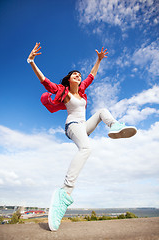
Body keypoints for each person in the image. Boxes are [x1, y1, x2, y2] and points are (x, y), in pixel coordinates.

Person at [27, 42, 137, 231]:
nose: (78, 75)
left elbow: (92, 75)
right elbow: (45, 81)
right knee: (86, 148)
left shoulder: (83, 92)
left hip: (84, 126)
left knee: (102, 111)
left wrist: (99, 59)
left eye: (79, 74)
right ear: (69, 80)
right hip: (72, 127)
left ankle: (115, 127)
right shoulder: (64, 92)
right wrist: (31, 62)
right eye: (74, 74)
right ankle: (65, 192)